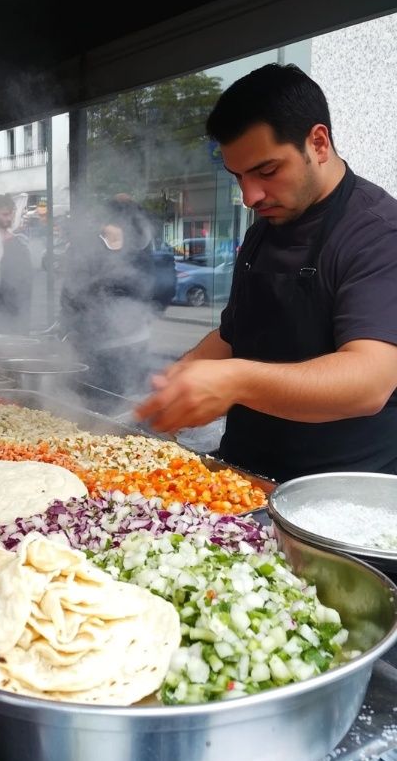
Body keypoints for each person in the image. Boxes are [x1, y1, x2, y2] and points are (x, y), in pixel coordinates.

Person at [136, 63, 397, 482]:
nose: (250, 195)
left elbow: (370, 381)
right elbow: (232, 335)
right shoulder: (263, 233)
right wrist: (178, 381)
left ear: (318, 142)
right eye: (238, 176)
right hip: (241, 476)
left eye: (267, 171)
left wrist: (234, 380)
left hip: (333, 497)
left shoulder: (378, 233)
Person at [60, 196, 156, 394]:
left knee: (116, 398)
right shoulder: (88, 247)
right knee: (97, 398)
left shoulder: (140, 250)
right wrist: (70, 331)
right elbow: (70, 294)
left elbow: (144, 292)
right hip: (96, 343)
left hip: (126, 343)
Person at [0, 195, 33, 334]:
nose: (9, 218)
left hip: (15, 304)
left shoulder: (15, 240)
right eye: (5, 214)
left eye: (11, 214)